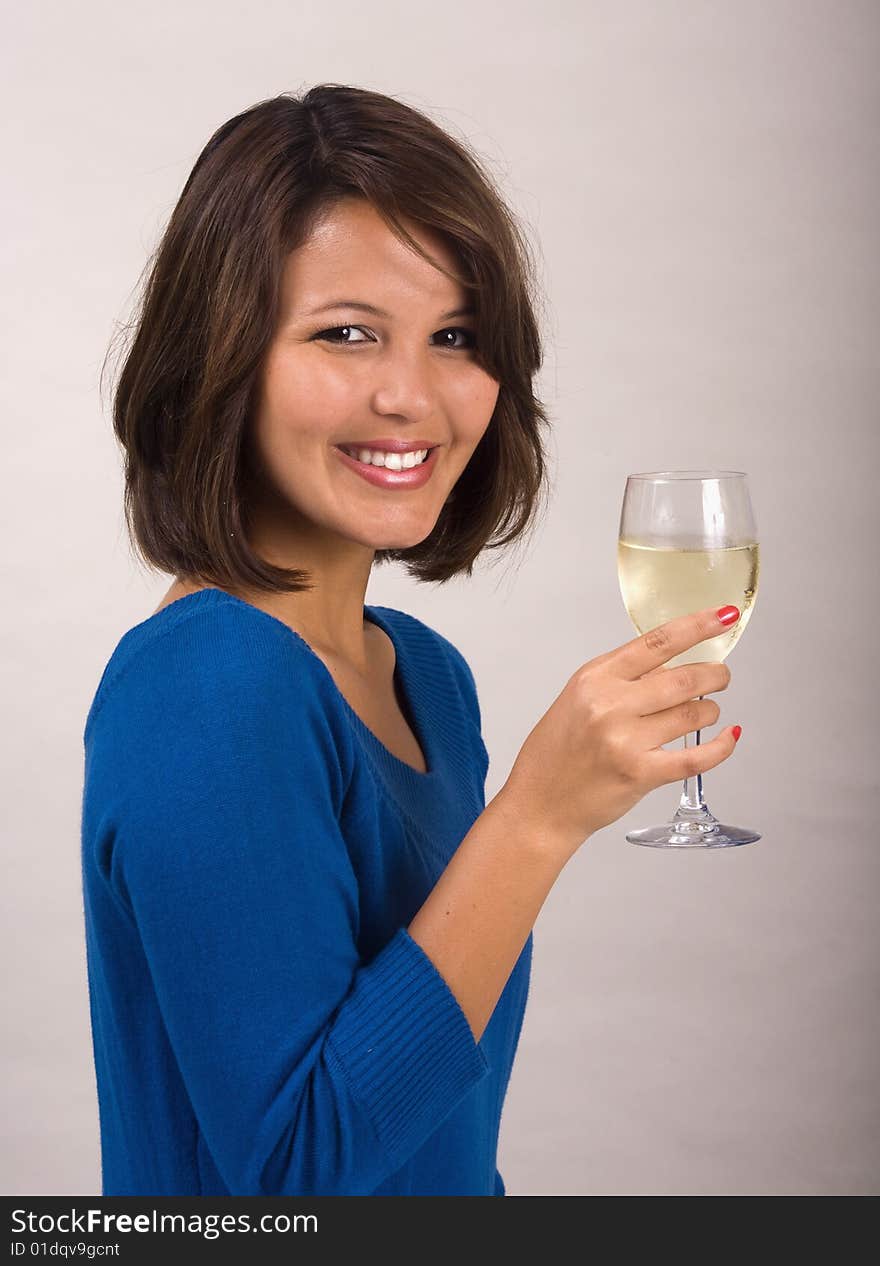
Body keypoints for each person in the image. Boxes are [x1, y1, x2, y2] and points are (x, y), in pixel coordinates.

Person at [81, 84, 742, 1198]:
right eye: (346, 334)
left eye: (455, 338)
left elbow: (436, 1134)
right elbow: (295, 1180)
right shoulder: (205, 686)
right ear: (222, 358)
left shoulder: (426, 679)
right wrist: (536, 817)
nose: (412, 395)